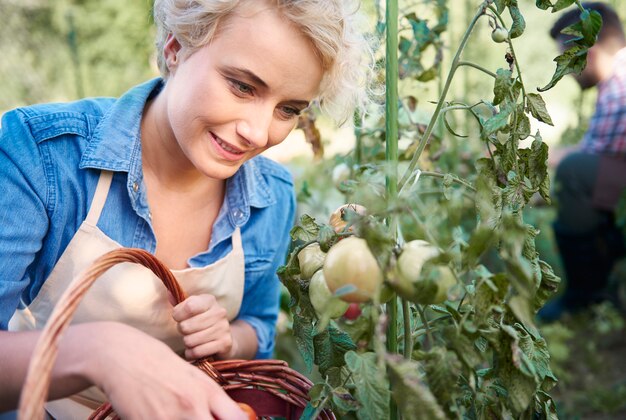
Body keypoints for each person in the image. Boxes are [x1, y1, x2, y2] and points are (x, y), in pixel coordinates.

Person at [0, 0, 372, 418]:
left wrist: (228, 339)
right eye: (242, 86)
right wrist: (99, 351)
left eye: (288, 109)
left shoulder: (271, 195)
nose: (258, 132)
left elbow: (259, 325)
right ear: (176, 48)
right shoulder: (40, 155)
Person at [541, 2, 626, 320]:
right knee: (579, 172)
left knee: (575, 173)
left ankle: (586, 295)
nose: (564, 71)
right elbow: (600, 149)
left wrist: (538, 161)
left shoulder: (621, 84)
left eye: (565, 59)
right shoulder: (615, 81)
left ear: (586, 51)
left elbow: (589, 160)